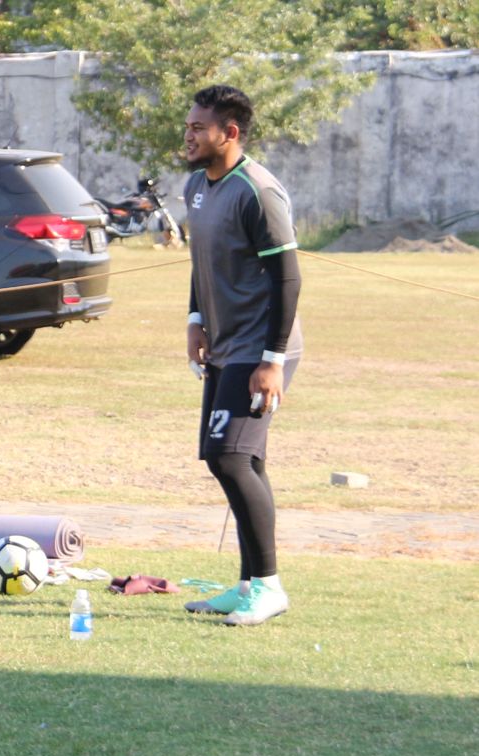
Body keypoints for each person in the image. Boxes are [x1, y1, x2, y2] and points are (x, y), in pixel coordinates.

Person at [181, 84, 303, 626]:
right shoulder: (196, 187)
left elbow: (287, 276)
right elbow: (202, 262)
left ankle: (270, 587)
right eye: (188, 126)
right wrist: (195, 319)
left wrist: (273, 358)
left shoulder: (258, 191)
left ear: (229, 133)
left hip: (261, 349)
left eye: (198, 128)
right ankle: (250, 583)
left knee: (226, 457)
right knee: (244, 460)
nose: (188, 135)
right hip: (225, 346)